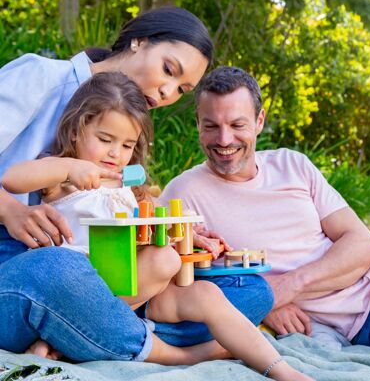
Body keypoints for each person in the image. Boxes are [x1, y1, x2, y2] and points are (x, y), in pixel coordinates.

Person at [0, 7, 268, 367]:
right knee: (55, 270)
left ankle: (77, 332)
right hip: (23, 266)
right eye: (169, 70)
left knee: (251, 290)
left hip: (89, 274)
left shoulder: (125, 135)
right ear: (139, 41)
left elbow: (116, 214)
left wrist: (171, 234)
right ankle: (169, 351)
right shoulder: (43, 76)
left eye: (182, 89)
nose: (168, 91)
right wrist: (11, 209)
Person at [2, 72, 313, 380]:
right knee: (98, 274)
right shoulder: (62, 181)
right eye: (105, 139)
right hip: (79, 289)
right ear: (76, 132)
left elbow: (154, 227)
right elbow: (11, 179)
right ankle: (160, 348)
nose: (115, 153)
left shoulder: (126, 187)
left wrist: (189, 236)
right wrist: (69, 168)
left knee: (203, 285)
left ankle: (282, 370)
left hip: (138, 294)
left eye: (126, 145)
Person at [160, 65, 370, 354]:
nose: (224, 140)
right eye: (211, 126)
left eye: (237, 125)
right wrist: (259, 304)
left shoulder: (292, 164)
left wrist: (282, 290)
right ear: (198, 123)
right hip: (369, 320)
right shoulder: (182, 195)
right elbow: (172, 284)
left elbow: (364, 246)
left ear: (259, 120)